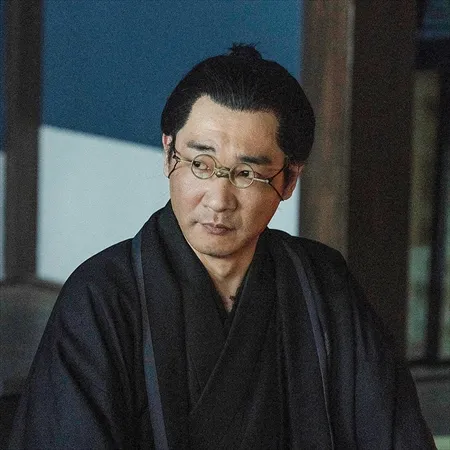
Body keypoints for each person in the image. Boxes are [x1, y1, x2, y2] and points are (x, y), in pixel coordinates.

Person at [9, 44, 435, 449]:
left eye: (246, 174)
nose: (218, 200)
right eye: (201, 164)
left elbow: (394, 433)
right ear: (168, 154)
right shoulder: (101, 296)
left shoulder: (322, 285)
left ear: (289, 179)